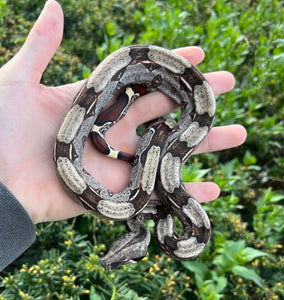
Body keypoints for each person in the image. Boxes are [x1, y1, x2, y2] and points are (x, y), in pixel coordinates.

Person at [0, 0, 247, 271]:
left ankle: (145, 114)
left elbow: (150, 190)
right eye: (119, 257)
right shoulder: (140, 206)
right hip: (143, 96)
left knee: (161, 130)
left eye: (115, 254)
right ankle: (144, 113)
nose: (110, 258)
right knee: (160, 129)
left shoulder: (141, 207)